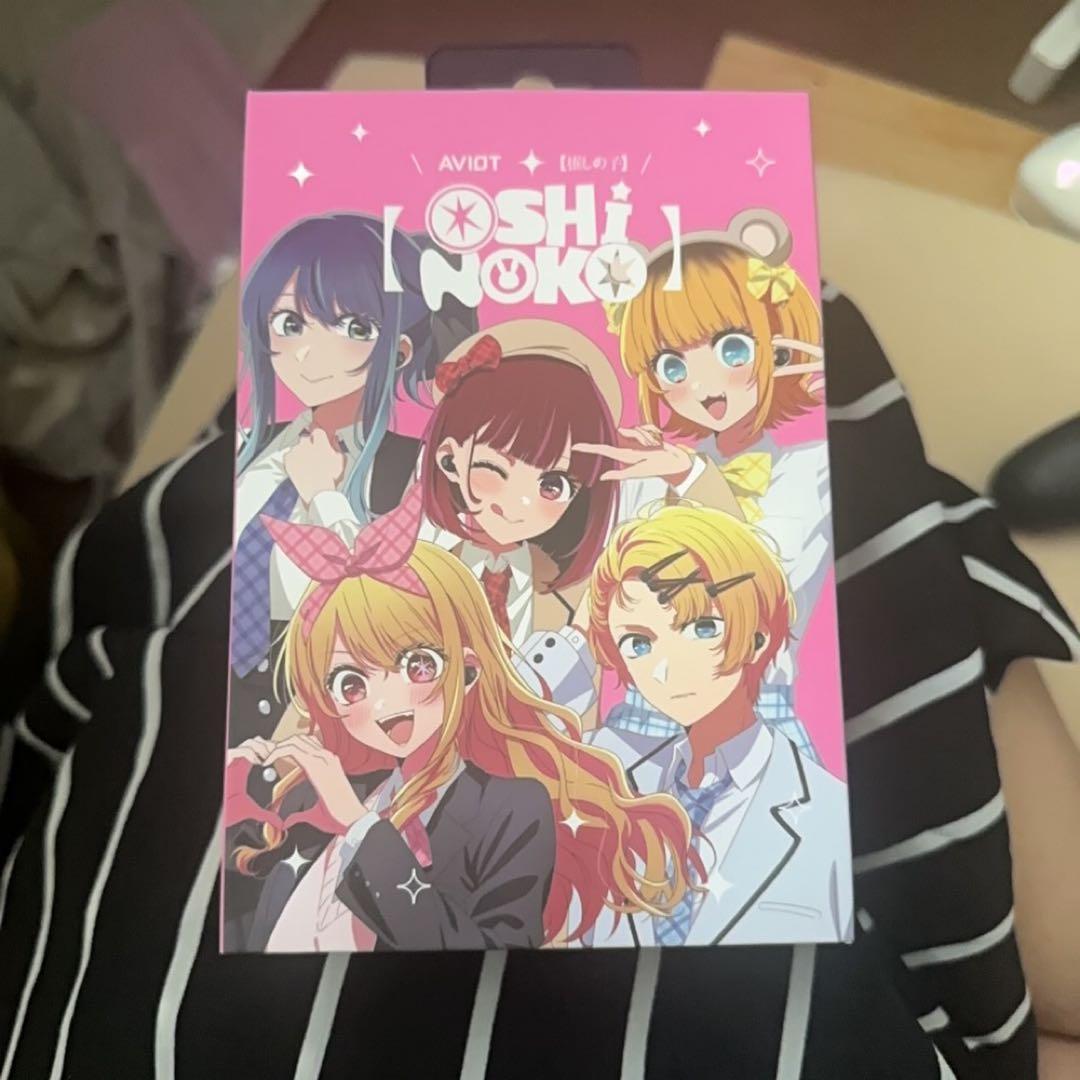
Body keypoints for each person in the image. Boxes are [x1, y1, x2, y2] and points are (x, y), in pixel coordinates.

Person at [224, 486, 698, 952]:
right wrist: (231, 797)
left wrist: (358, 825)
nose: (385, 702)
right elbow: (238, 921)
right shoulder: (322, 792)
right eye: (351, 684)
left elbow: (485, 952)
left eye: (417, 666)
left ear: (468, 669)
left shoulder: (510, 809)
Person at [229, 213, 474, 743]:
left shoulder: (414, 474)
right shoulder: (250, 451)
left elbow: (393, 612)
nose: (309, 352)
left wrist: (324, 498)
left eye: (354, 329)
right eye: (289, 323)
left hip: (339, 716)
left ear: (400, 350)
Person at [611, 209, 827, 760]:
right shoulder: (650, 476)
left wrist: (691, 478)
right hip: (643, 713)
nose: (704, 385)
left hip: (755, 711)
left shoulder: (810, 471)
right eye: (672, 368)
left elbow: (762, 584)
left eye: (732, 349)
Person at [583, 504, 852, 946]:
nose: (666, 668)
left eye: (702, 628)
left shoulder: (828, 812)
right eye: (638, 644)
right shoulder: (606, 793)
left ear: (758, 637)